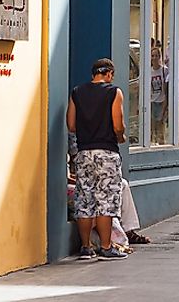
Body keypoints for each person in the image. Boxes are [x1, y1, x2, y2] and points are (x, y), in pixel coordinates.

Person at [67, 58, 127, 261]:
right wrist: (121, 136)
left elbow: (71, 125)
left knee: (85, 199)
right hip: (106, 152)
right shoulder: (113, 92)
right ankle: (106, 246)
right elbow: (118, 125)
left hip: (84, 153)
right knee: (106, 201)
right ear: (109, 73)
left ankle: (85, 247)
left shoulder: (77, 92)